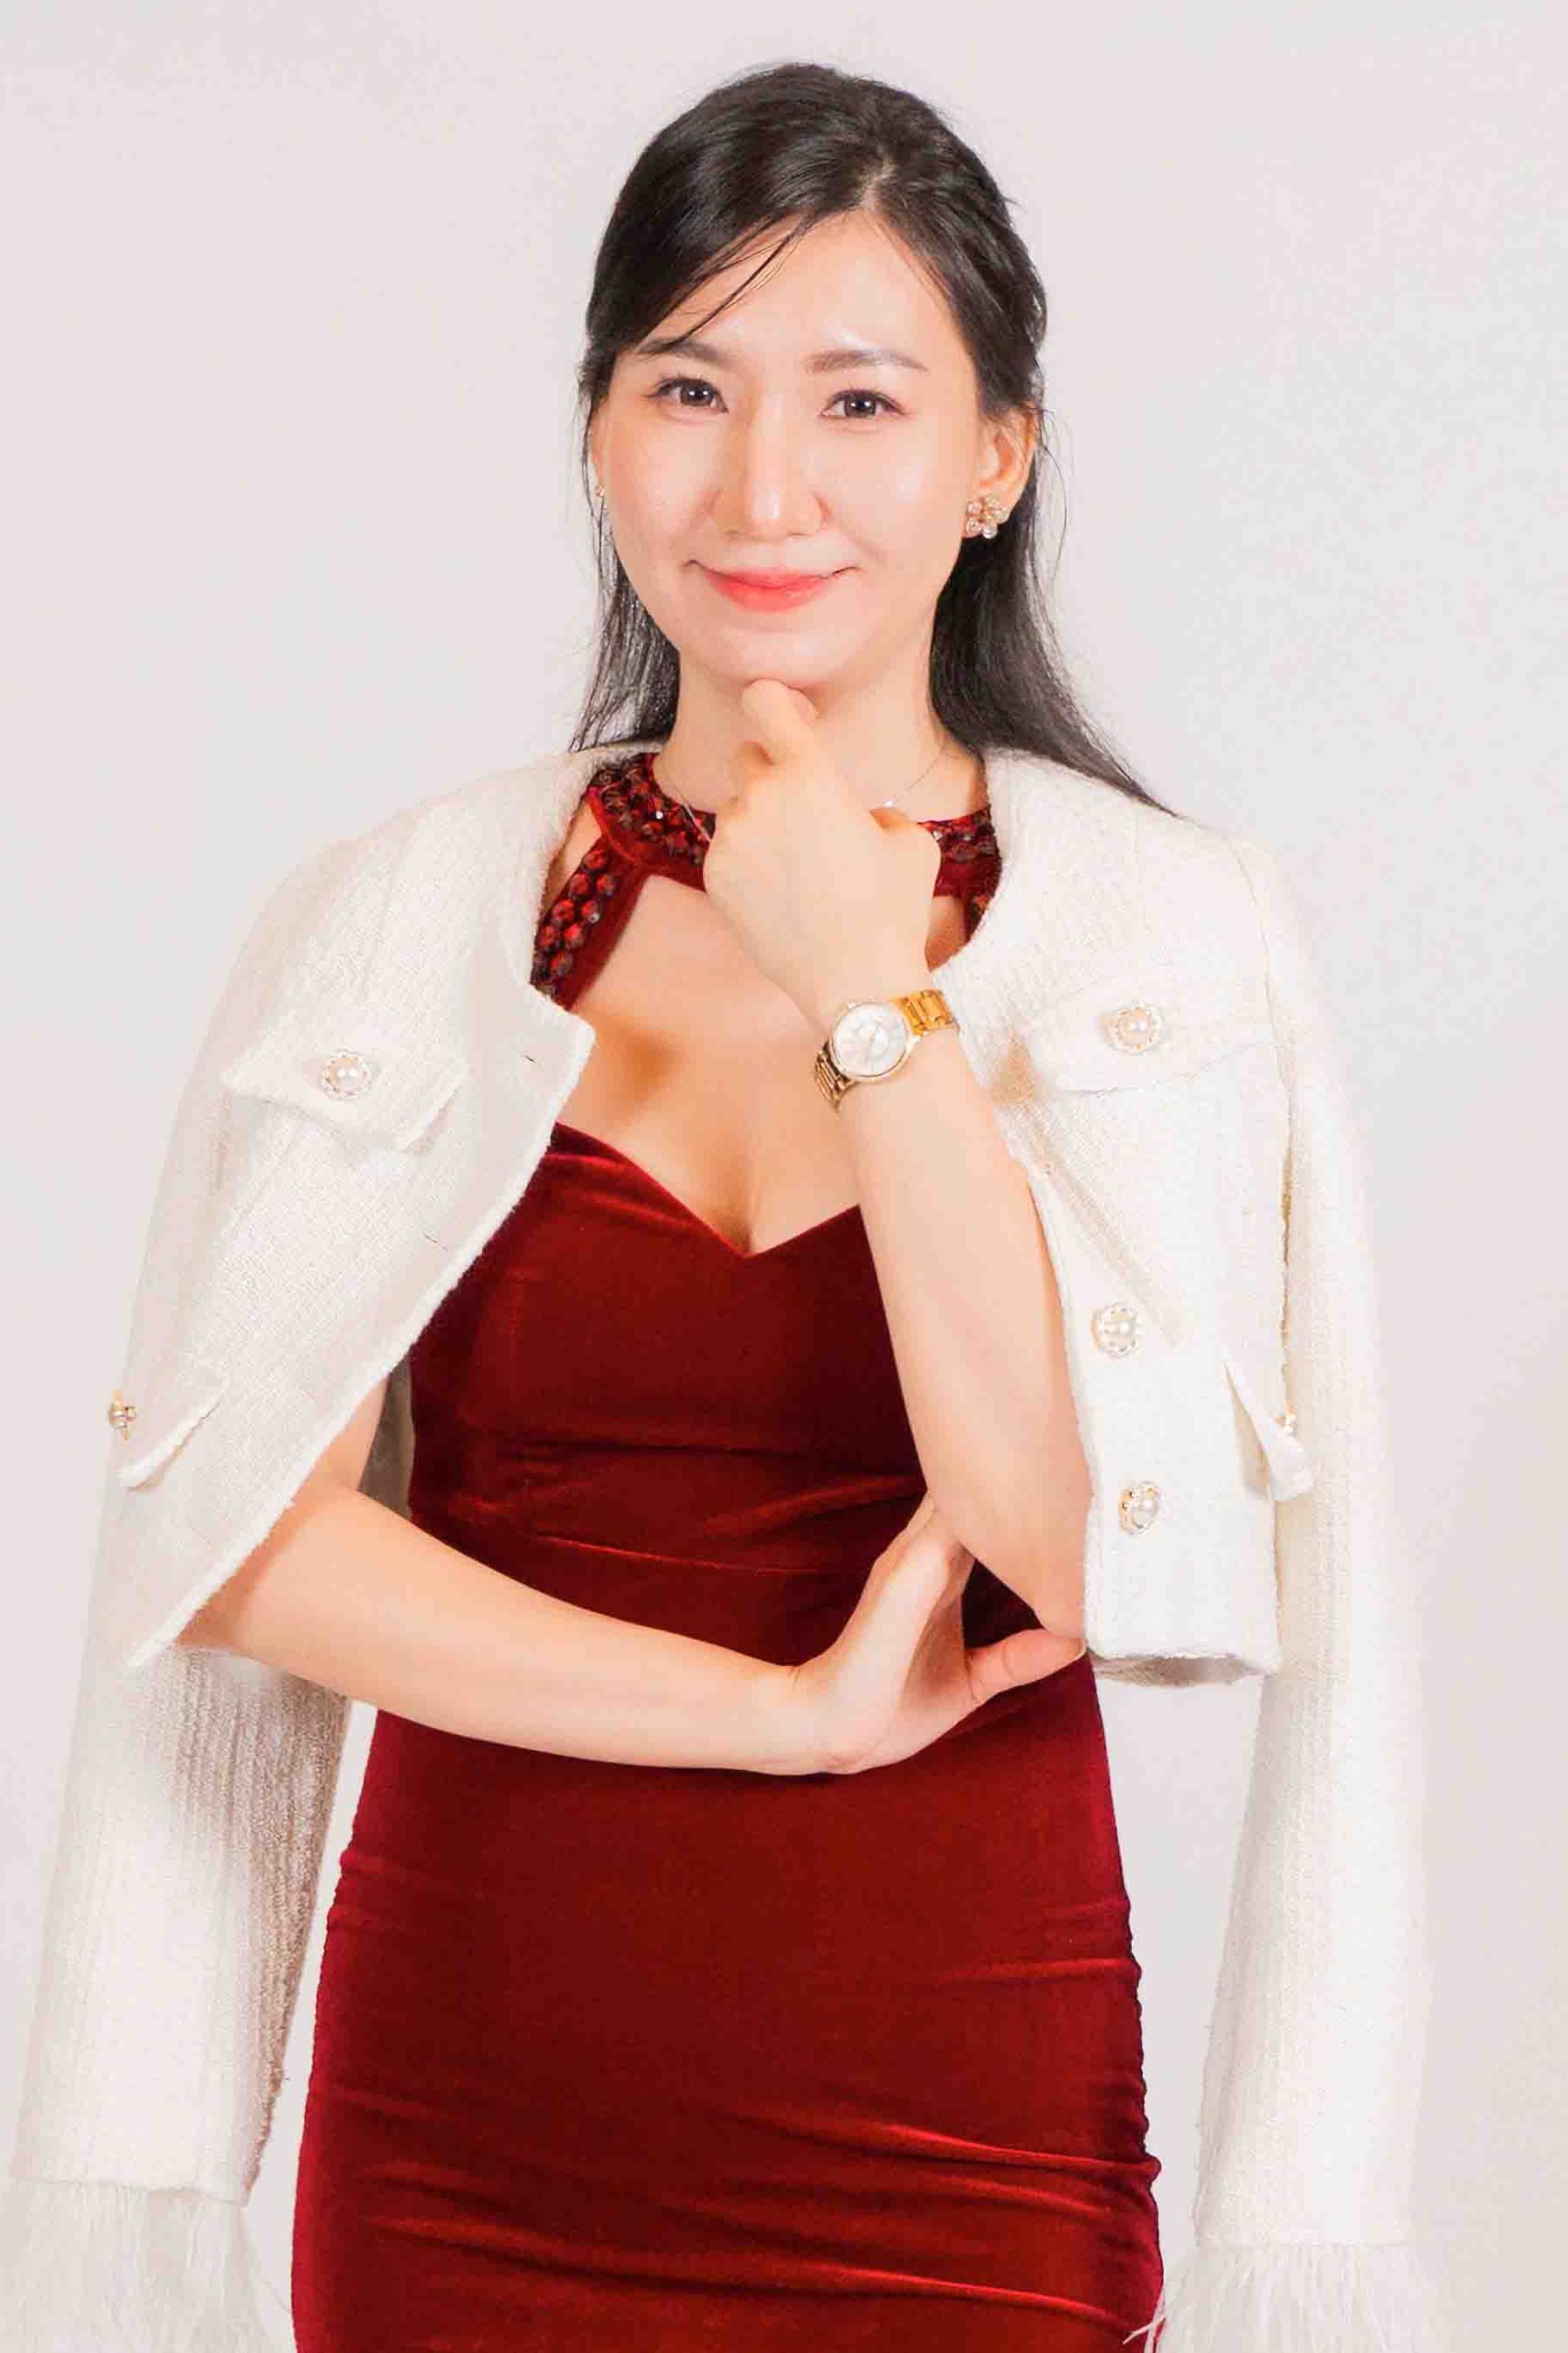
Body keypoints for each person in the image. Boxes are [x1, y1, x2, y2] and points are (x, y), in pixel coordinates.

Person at [1, 59, 1449, 2353]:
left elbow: (1078, 1548)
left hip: (961, 2147)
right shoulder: (397, 919)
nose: (765, 486)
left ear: (997, 457)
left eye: (861, 399)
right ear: (599, 430)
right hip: (460, 2151)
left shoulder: (1171, 941)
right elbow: (235, 1537)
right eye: (690, 386)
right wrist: (777, 1715)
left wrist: (876, 996)